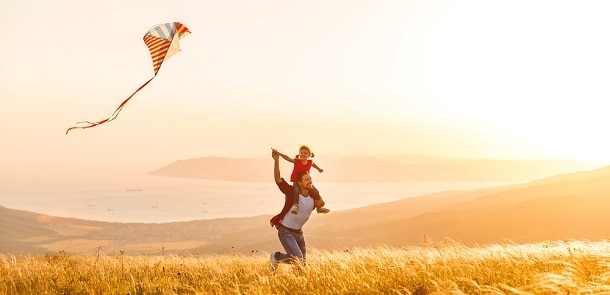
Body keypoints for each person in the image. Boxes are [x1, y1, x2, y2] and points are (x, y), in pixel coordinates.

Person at [269, 149, 326, 273]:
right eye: (306, 180)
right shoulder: (291, 193)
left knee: (302, 265)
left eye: (310, 178)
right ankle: (277, 257)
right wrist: (276, 161)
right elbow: (278, 179)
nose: (310, 181)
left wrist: (320, 202)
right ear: (299, 183)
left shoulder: (313, 196)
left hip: (299, 233)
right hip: (286, 232)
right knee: (298, 260)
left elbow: (321, 203)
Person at [275, 146, 330, 214]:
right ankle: (295, 206)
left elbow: (313, 165)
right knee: (296, 190)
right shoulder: (297, 161)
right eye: (301, 153)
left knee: (316, 192)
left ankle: (319, 208)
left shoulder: (310, 162)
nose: (303, 154)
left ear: (309, 155)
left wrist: (319, 169)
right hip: (296, 181)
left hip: (305, 182)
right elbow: (288, 158)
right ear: (299, 154)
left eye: (305, 153)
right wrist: (279, 154)